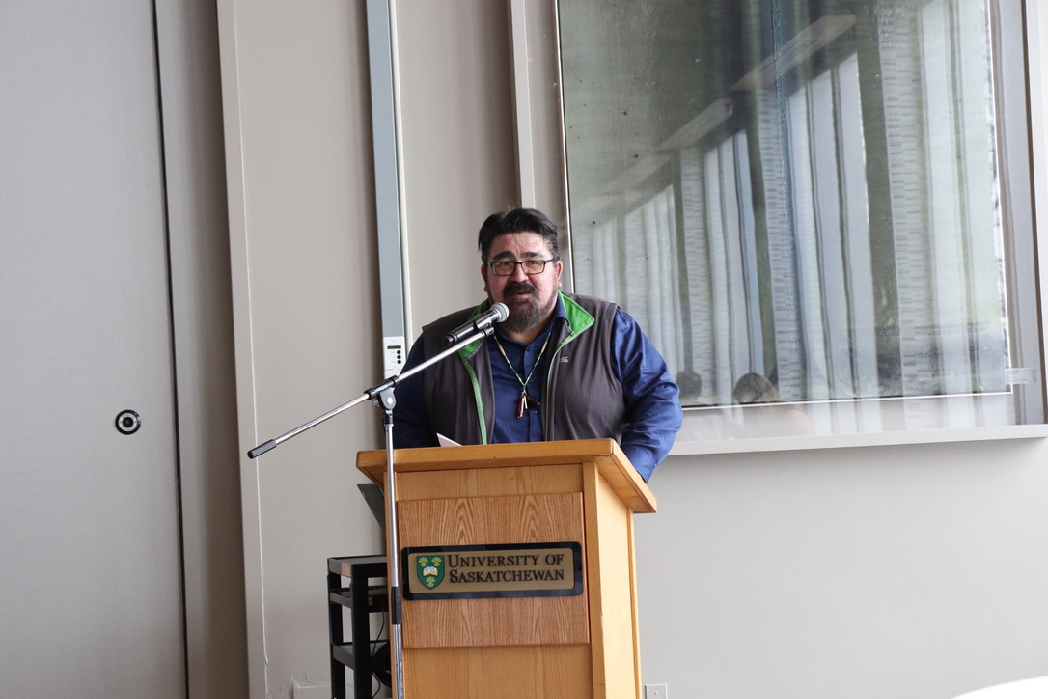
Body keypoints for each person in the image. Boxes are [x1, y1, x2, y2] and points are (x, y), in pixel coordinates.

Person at [391, 207, 681, 481]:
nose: (519, 276)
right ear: (485, 276)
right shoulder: (442, 342)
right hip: (472, 509)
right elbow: (405, 423)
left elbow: (659, 401)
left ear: (557, 272)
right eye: (504, 264)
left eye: (533, 262)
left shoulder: (608, 327)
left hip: (585, 505)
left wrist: (626, 473)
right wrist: (433, 482)